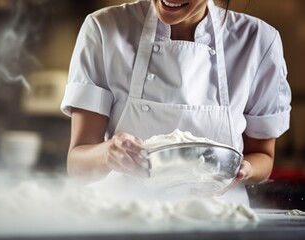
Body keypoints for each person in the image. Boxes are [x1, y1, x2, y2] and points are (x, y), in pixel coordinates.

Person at [60, 0, 291, 204]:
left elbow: (263, 156)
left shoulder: (258, 40)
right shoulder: (104, 28)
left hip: (222, 221)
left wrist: (244, 170)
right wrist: (107, 153)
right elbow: (78, 164)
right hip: (125, 217)